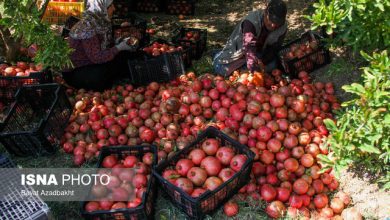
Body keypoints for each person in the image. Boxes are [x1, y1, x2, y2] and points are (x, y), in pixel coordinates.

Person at [62, 0, 138, 91]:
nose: (114, 8)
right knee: (103, 74)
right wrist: (119, 47)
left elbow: (103, 45)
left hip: (90, 64)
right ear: (101, 8)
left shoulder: (100, 22)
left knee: (124, 56)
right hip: (77, 72)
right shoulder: (87, 28)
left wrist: (118, 43)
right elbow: (97, 57)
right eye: (110, 6)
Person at [212, 0, 287, 77]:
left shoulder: (282, 28)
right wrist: (253, 68)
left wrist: (262, 61)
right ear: (265, 12)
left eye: (277, 23)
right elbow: (249, 47)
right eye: (271, 21)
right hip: (241, 52)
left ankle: (243, 69)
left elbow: (274, 48)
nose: (273, 25)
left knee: (273, 65)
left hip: (260, 53)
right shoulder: (251, 22)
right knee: (220, 70)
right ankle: (217, 54)